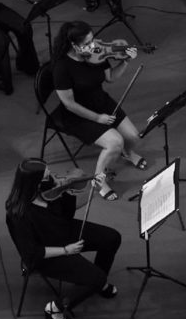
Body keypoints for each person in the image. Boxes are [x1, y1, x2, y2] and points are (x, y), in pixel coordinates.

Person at [5, 158, 121, 319]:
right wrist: (66, 250)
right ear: (35, 182)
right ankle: (55, 309)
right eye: (47, 176)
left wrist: (91, 191)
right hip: (47, 253)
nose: (53, 177)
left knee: (112, 238)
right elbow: (32, 253)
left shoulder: (48, 188)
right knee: (97, 278)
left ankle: (95, 282)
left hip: (62, 231)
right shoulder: (18, 214)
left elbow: (67, 213)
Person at [50, 21, 147, 202]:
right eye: (87, 44)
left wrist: (125, 60)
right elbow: (69, 104)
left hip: (100, 101)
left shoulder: (97, 53)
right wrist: (98, 118)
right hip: (77, 114)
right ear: (73, 45)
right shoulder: (61, 68)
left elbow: (110, 78)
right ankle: (99, 180)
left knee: (133, 137)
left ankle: (127, 153)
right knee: (115, 142)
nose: (93, 45)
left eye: (92, 40)